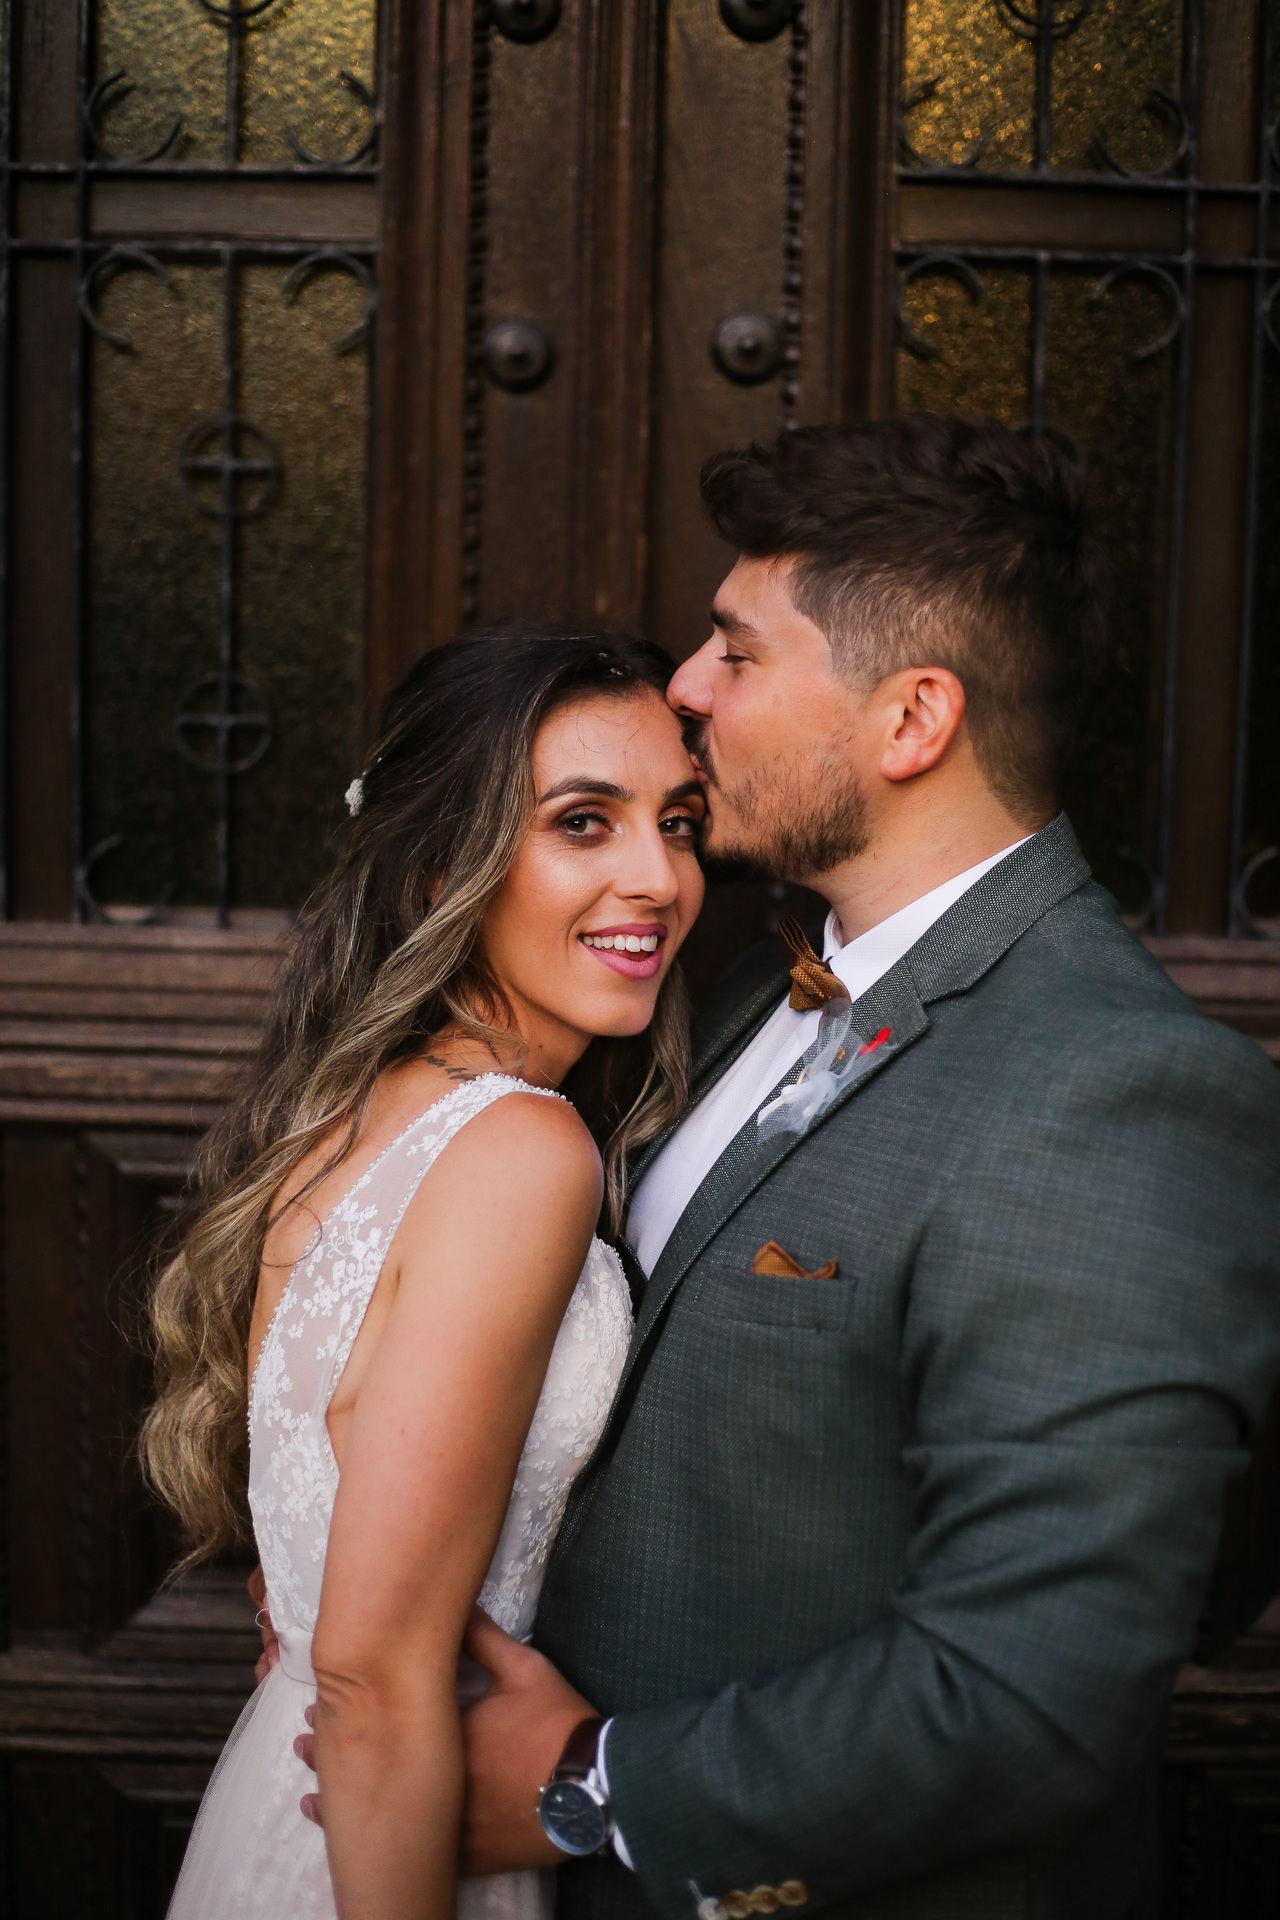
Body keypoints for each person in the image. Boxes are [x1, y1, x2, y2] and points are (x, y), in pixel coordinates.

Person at [429, 417, 1280, 1919]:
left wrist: (598, 1789)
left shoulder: (1121, 1096)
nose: (687, 688)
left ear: (911, 722)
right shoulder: (736, 979)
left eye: (738, 652)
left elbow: (1035, 1694)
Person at [141, 624, 707, 1920]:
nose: (658, 878)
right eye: (583, 822)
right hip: (384, 1832)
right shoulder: (522, 1150)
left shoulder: (362, 1109)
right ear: (444, 863)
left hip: (301, 1794)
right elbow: (373, 1676)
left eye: (678, 823)